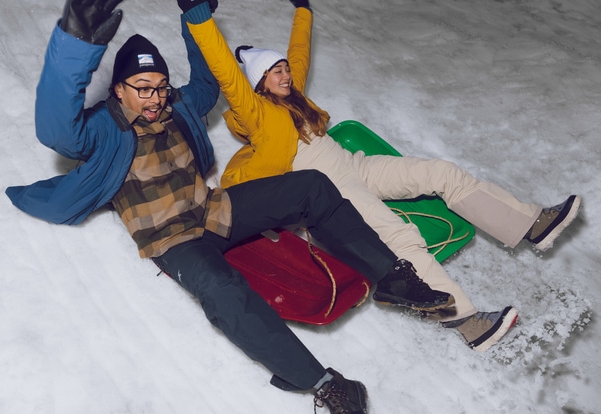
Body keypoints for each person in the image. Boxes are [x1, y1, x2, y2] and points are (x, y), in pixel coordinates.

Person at [5, 0, 456, 412]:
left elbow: (206, 82)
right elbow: (55, 128)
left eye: (160, 87)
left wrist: (193, 14)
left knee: (312, 185)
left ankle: (392, 276)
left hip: (213, 211)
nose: (154, 98)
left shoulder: (177, 108)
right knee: (223, 290)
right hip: (172, 239)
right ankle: (322, 383)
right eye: (141, 88)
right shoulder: (101, 129)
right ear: (118, 90)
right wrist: (77, 45)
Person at [181, 0, 582, 352]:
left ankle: (531, 223)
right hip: (329, 189)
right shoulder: (257, 114)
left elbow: (299, 53)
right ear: (259, 85)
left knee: (438, 172)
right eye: (275, 73)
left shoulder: (294, 95)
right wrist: (199, 18)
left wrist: (302, 9)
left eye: (283, 69)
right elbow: (226, 73)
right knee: (396, 235)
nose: (285, 75)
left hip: (354, 165)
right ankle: (466, 321)